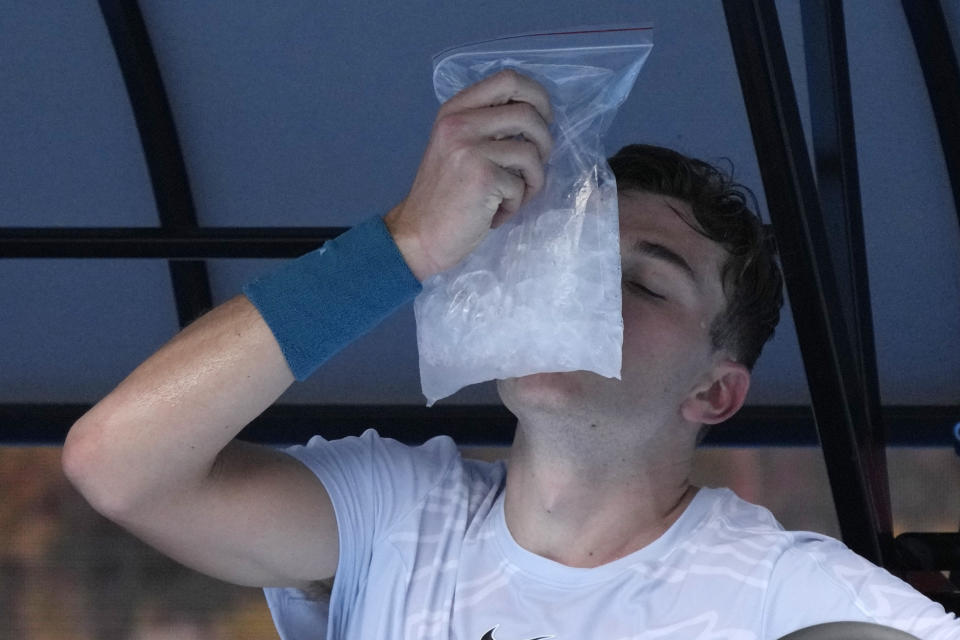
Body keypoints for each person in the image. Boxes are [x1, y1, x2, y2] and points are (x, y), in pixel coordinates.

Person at [62, 70, 959, 640]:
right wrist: (405, 245)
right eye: (564, 265)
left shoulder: (774, 588)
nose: (578, 299)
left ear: (715, 393)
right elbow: (120, 465)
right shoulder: (399, 514)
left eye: (644, 285)